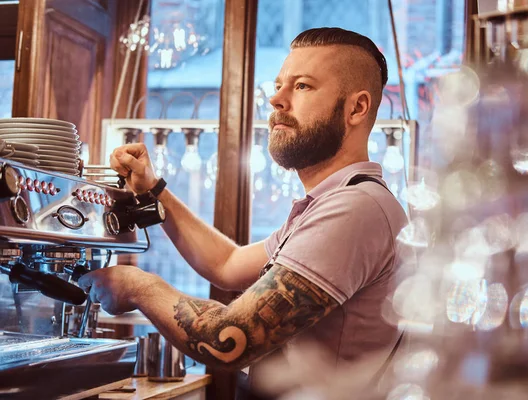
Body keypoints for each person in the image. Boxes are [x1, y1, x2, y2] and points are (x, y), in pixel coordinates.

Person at [79, 27, 407, 391]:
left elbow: (228, 341)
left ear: (356, 108)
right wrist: (156, 191)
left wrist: (138, 286)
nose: (276, 99)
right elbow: (227, 264)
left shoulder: (356, 209)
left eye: (302, 86)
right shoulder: (332, 203)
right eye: (279, 84)